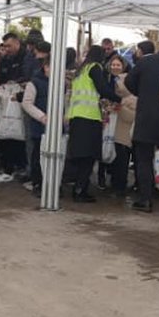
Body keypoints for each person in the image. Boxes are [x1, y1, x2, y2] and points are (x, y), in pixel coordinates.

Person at [61, 44, 121, 203]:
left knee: (79, 156)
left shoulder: (81, 71)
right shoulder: (95, 68)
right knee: (89, 156)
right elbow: (102, 89)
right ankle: (80, 190)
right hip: (89, 118)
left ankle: (76, 187)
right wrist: (120, 98)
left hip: (75, 116)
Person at [126, 40, 159, 212]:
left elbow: (129, 81)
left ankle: (145, 199)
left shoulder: (145, 62)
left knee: (144, 160)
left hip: (145, 118)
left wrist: (141, 92)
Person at [21, 46, 52, 195]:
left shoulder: (62, 84)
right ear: (46, 67)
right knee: (38, 155)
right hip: (39, 126)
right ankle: (37, 183)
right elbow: (27, 103)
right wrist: (42, 117)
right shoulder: (34, 83)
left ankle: (52, 183)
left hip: (56, 128)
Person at [104, 54, 135, 198]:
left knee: (121, 160)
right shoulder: (106, 84)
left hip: (122, 133)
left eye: (118, 65)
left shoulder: (131, 95)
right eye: (113, 65)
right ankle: (110, 183)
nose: (115, 67)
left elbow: (132, 116)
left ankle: (119, 187)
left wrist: (120, 107)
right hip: (110, 129)